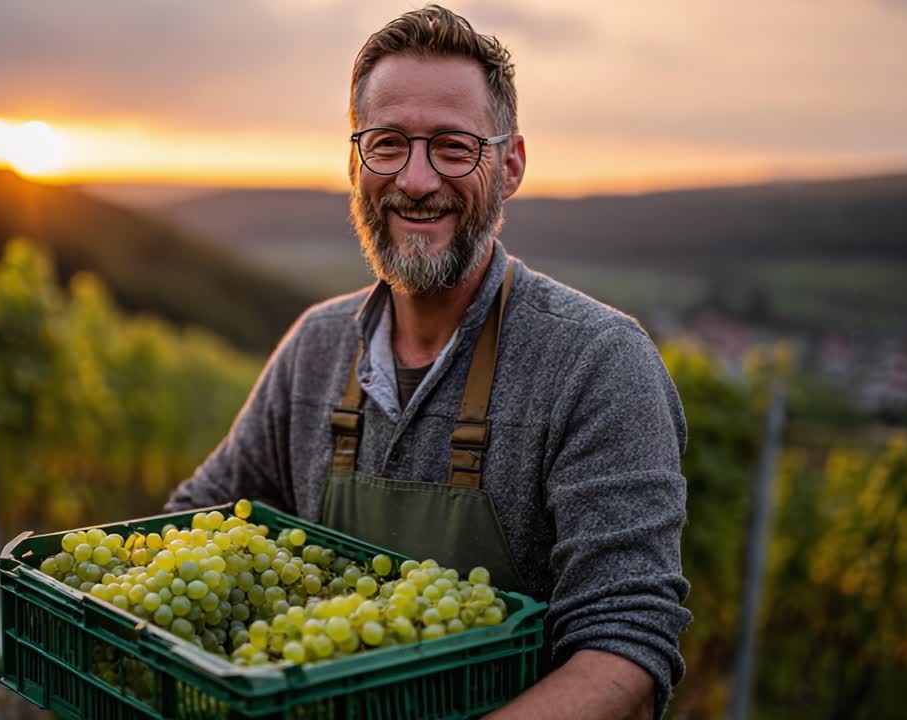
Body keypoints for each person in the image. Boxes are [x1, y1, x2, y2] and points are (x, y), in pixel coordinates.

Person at [165, 5, 690, 718]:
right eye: (388, 144)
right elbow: (194, 523)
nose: (415, 180)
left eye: (452, 147)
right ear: (355, 164)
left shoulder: (597, 363)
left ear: (509, 167)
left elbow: (628, 642)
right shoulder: (315, 348)